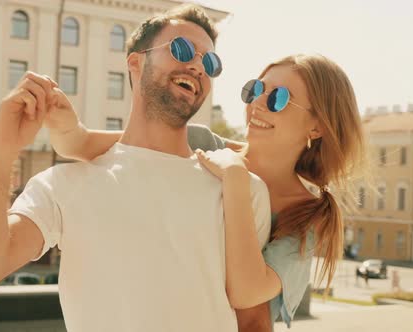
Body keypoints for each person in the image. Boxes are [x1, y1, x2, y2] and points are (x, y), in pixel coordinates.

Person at [0, 5, 271, 332]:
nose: (197, 66)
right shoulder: (63, 185)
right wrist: (0, 150)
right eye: (182, 50)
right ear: (136, 62)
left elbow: (253, 321)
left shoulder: (241, 189)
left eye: (210, 62)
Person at [49, 54, 368, 330]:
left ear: (317, 126)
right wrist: (60, 120)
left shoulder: (309, 213)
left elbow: (247, 294)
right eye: (255, 90)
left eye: (278, 98)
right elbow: (79, 144)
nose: (257, 103)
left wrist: (235, 180)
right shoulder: (198, 141)